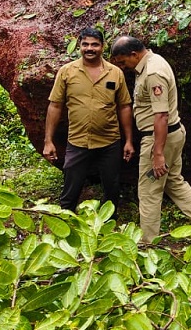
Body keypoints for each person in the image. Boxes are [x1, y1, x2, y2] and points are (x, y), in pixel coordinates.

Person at [109, 36, 191, 245]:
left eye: (123, 62)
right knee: (174, 182)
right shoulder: (152, 62)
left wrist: (157, 154)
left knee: (149, 190)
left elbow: (161, 115)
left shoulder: (153, 72)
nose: (122, 67)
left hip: (159, 139)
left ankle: (148, 243)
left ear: (134, 54)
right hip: (170, 135)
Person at [43, 27, 135, 213]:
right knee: (71, 188)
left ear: (102, 47)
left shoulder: (115, 73)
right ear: (79, 46)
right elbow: (55, 106)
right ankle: (65, 222)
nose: (89, 48)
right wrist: (48, 141)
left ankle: (108, 227)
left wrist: (129, 141)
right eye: (85, 44)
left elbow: (124, 106)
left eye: (94, 44)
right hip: (78, 141)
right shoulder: (67, 72)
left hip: (109, 142)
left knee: (111, 188)